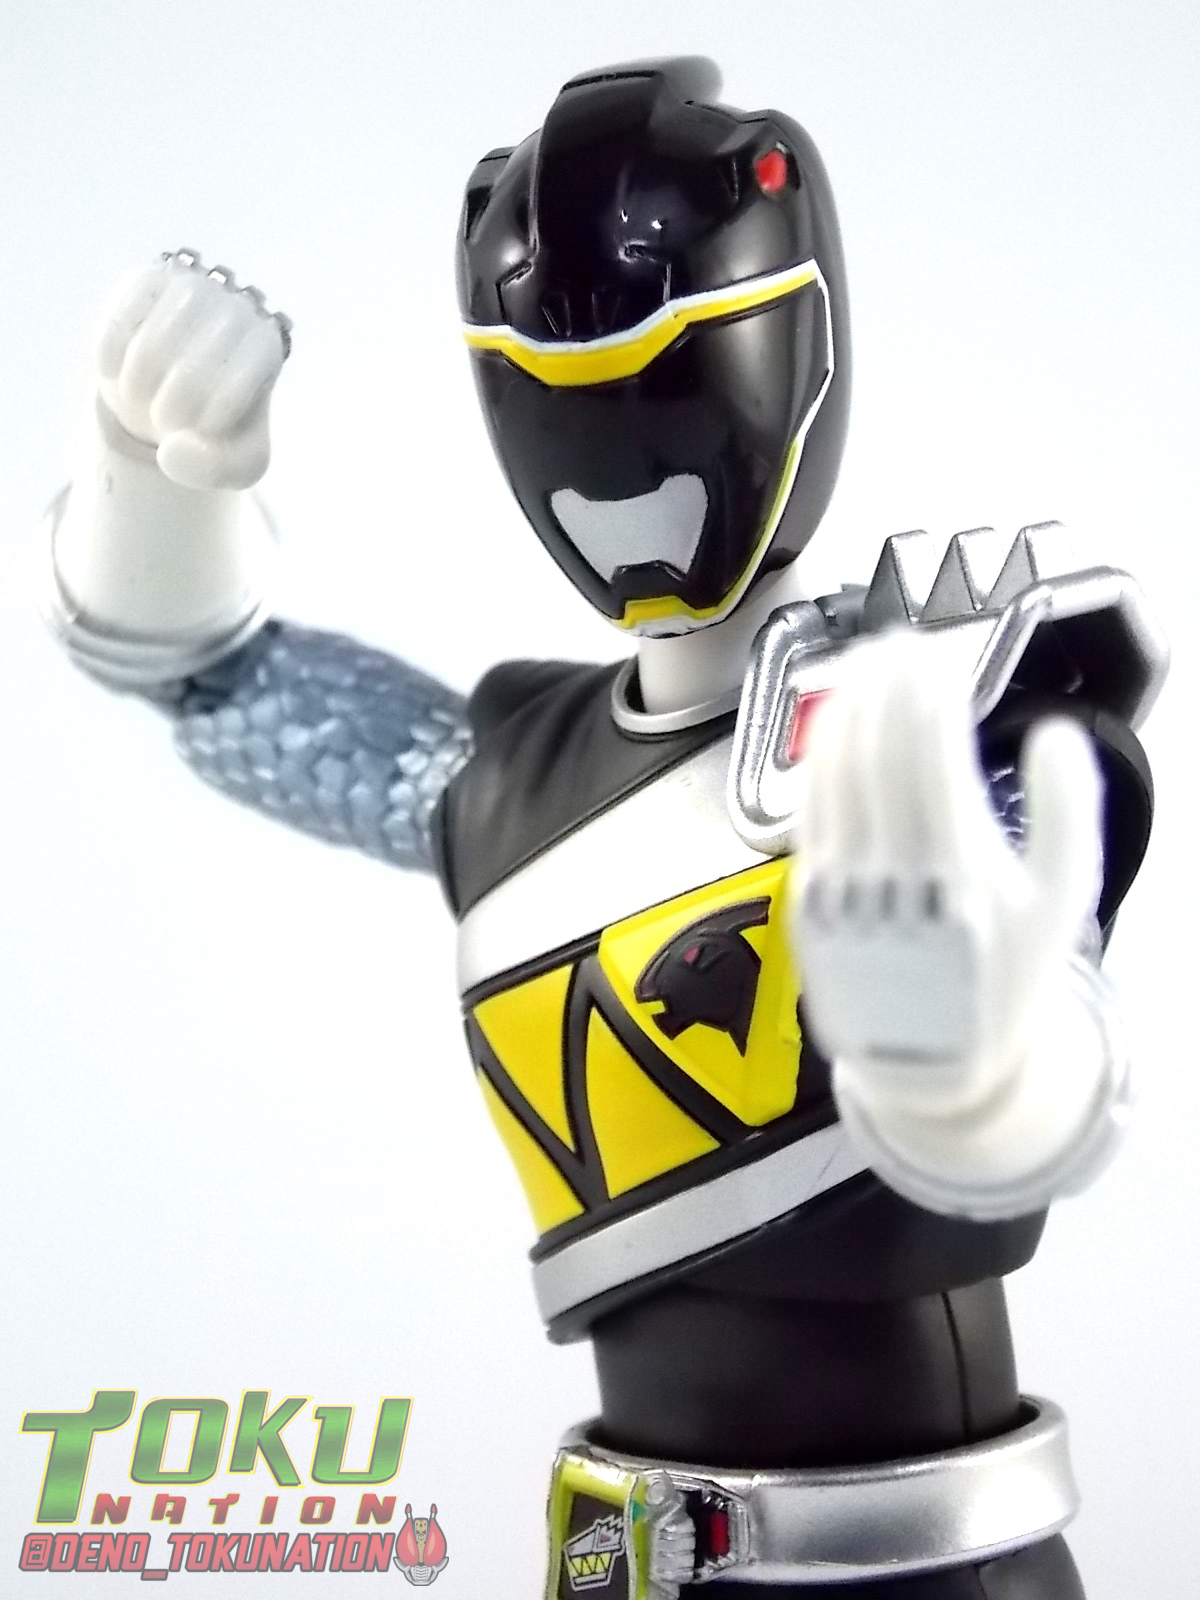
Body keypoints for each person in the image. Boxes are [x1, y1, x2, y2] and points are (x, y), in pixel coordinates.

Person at [42, 57, 1165, 1600]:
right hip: (618, 1556)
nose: (619, 452)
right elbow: (224, 687)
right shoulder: (509, 774)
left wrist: (987, 1073)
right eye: (557, 382)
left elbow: (1054, 1009)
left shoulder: (928, 728)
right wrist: (150, 488)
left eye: (656, 371)